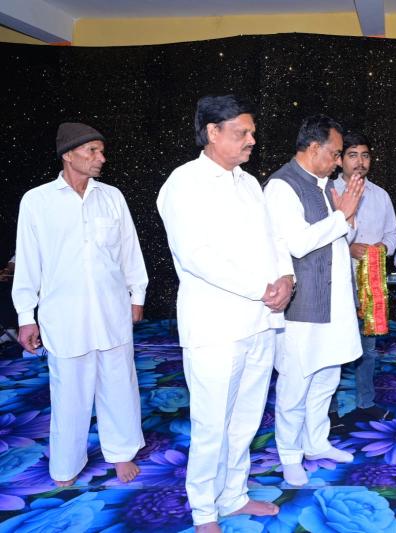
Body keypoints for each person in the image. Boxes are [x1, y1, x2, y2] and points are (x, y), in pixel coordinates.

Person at [157, 95, 292, 531]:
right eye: (242, 133)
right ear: (212, 132)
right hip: (214, 326)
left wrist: (286, 278)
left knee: (246, 420)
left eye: (252, 132)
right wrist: (261, 289)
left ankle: (233, 496)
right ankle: (204, 510)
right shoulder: (184, 183)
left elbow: (275, 239)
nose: (251, 140)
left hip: (260, 321)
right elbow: (197, 255)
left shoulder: (249, 183)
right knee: (211, 424)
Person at [12, 122, 148, 487]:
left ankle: (121, 453)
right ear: (68, 154)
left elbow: (129, 251)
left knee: (119, 386)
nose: (101, 158)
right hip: (64, 317)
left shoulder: (112, 197)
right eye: (92, 151)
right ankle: (66, 465)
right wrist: (26, 316)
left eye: (102, 151)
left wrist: (137, 295)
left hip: (111, 312)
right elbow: (28, 263)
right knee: (69, 393)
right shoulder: (37, 201)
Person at [263, 114, 365, 487]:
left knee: (327, 375)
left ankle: (316, 442)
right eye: (335, 153)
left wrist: (346, 220)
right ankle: (290, 455)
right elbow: (298, 243)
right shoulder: (281, 186)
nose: (339, 162)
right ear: (313, 147)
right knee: (296, 381)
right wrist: (342, 216)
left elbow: (338, 240)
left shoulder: (323, 185)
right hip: (302, 303)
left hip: (333, 301)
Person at [332, 131, 396, 412]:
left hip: (371, 283)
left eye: (365, 155)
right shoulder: (328, 191)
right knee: (332, 347)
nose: (360, 161)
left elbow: (392, 235)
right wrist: (348, 248)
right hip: (336, 281)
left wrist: (380, 249)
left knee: (368, 349)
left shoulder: (381, 196)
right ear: (340, 159)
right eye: (353, 155)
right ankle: (328, 407)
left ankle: (366, 402)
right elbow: (317, 236)